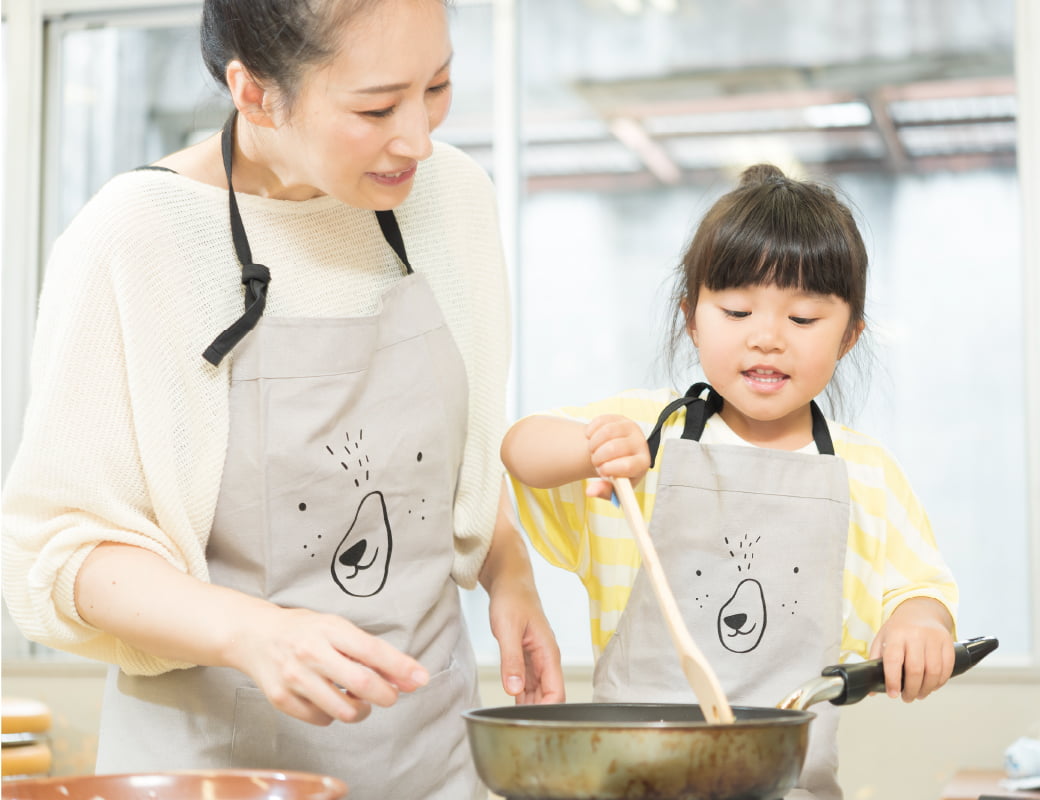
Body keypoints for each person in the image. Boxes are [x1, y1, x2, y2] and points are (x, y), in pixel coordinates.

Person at [1, 0, 564, 797]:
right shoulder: (134, 239)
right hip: (214, 767)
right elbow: (61, 551)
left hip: (431, 760)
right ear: (255, 92)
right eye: (375, 108)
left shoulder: (452, 197)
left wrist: (512, 580)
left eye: (436, 87)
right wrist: (252, 633)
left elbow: (450, 461)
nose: (419, 139)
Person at [500, 164, 958, 800]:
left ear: (850, 335)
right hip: (629, 784)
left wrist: (920, 624)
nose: (767, 338)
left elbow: (919, 589)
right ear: (692, 319)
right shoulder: (644, 436)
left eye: (803, 320)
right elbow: (519, 448)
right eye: (737, 310)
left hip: (789, 787)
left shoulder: (867, 475)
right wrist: (590, 449)